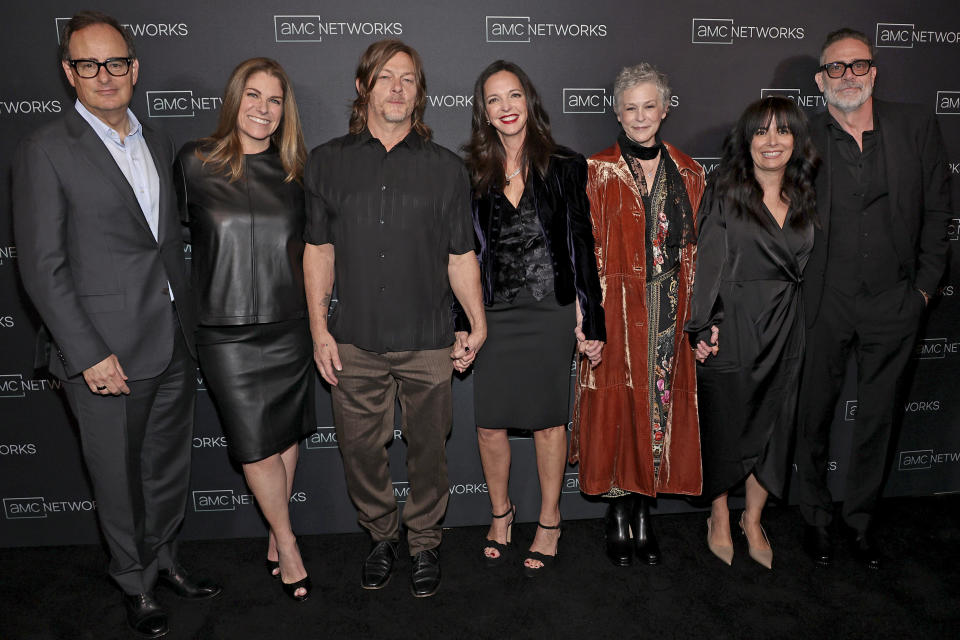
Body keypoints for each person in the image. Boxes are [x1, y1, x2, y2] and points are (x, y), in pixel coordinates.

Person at [12, 11, 221, 638]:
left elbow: (162, 243)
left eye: (116, 62)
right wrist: (87, 353)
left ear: (135, 67)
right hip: (103, 351)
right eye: (88, 64)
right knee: (116, 478)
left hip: (171, 339)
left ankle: (163, 562)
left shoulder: (155, 140)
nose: (105, 75)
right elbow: (44, 269)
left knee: (167, 468)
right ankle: (133, 582)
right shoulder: (44, 149)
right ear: (69, 73)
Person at [302, 39, 486, 598]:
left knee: (430, 451)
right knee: (360, 451)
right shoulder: (327, 161)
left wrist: (476, 323)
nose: (397, 88)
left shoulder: (447, 170)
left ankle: (425, 541)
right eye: (385, 77)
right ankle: (382, 534)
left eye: (407, 79)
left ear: (420, 93)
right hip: (354, 340)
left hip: (428, 340)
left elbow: (460, 256)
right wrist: (318, 330)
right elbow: (318, 251)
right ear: (363, 87)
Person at [795, 28, 953, 570]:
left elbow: (937, 215)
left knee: (878, 420)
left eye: (858, 65)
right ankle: (815, 520)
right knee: (812, 417)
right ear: (821, 80)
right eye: (836, 68)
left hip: (895, 301)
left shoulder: (915, 126)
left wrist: (924, 291)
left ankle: (859, 523)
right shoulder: (801, 138)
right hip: (823, 301)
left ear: (874, 72)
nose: (849, 76)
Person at [456, 60, 605, 576]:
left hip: (549, 310)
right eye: (494, 99)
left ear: (529, 101)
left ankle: (549, 519)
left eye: (513, 95)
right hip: (493, 313)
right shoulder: (471, 171)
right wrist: (462, 319)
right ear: (485, 112)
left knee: (547, 422)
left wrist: (594, 317)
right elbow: (462, 255)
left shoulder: (564, 164)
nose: (506, 107)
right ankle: (501, 514)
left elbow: (581, 243)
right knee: (489, 424)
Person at [174, 58, 313, 601]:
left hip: (290, 326)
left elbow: (313, 252)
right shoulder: (195, 162)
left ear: (285, 110)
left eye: (274, 100)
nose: (263, 109)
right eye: (253, 96)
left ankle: (278, 539)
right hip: (225, 331)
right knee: (255, 445)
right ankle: (289, 541)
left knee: (284, 438)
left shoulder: (295, 170)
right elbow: (162, 241)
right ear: (235, 99)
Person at [571, 63, 704, 567]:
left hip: (670, 315)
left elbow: (698, 254)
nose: (641, 115)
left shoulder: (691, 172)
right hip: (615, 310)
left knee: (659, 409)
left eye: (650, 105)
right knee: (617, 408)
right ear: (617, 113)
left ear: (665, 109)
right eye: (631, 107)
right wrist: (587, 318)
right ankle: (618, 510)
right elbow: (585, 252)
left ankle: (645, 510)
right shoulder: (597, 170)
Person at [687, 97, 818, 570]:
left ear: (796, 140)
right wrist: (703, 325)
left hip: (787, 325)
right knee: (723, 422)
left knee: (776, 425)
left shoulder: (807, 194)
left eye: (782, 131)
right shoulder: (724, 189)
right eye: (761, 132)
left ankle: (753, 519)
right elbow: (708, 264)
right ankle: (719, 516)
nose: (771, 142)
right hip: (732, 324)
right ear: (746, 140)